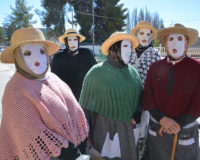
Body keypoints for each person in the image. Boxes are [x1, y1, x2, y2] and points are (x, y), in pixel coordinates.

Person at [0, 27, 89, 160]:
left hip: (74, 147)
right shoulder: (15, 89)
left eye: (41, 51)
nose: (37, 58)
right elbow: (33, 133)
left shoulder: (52, 77)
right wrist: (73, 154)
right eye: (28, 53)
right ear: (18, 57)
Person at [79, 32, 142, 160]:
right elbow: (85, 110)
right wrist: (87, 140)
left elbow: (139, 100)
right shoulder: (96, 73)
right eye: (125, 46)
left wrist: (137, 113)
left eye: (130, 46)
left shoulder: (133, 73)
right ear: (114, 48)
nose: (129, 50)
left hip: (129, 134)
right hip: (106, 132)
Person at [142, 24, 200, 160]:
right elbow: (147, 97)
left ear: (186, 43)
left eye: (180, 39)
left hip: (184, 131)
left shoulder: (197, 68)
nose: (175, 43)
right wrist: (162, 119)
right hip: (158, 129)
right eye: (171, 39)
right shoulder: (155, 67)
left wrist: (177, 124)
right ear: (166, 44)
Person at [129, 21, 161, 159]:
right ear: (136, 35)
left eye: (148, 34)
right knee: (129, 130)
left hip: (147, 100)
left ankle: (141, 155)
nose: (145, 36)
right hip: (128, 98)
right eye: (142, 33)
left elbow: (159, 78)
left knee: (143, 130)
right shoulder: (129, 51)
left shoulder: (154, 54)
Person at [51, 28, 97, 100]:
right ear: (65, 42)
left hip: (86, 98)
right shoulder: (58, 58)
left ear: (78, 41)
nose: (73, 43)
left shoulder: (87, 54)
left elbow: (95, 73)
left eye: (75, 40)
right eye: (69, 40)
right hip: (67, 98)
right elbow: (54, 80)